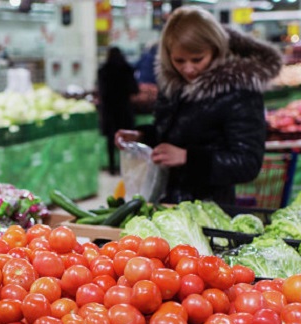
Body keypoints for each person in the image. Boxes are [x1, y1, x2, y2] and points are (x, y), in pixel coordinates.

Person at [115, 6, 282, 205]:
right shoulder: (173, 85)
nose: (188, 68)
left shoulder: (239, 90)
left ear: (216, 49)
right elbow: (176, 134)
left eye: (197, 59)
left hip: (211, 209)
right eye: (179, 60)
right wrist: (143, 137)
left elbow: (248, 163)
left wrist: (189, 158)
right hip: (168, 202)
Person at [98, 47, 139, 175]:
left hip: (109, 110)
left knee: (111, 140)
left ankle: (111, 167)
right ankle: (125, 167)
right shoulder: (127, 69)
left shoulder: (103, 71)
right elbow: (134, 89)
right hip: (124, 109)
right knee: (126, 139)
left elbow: (101, 91)